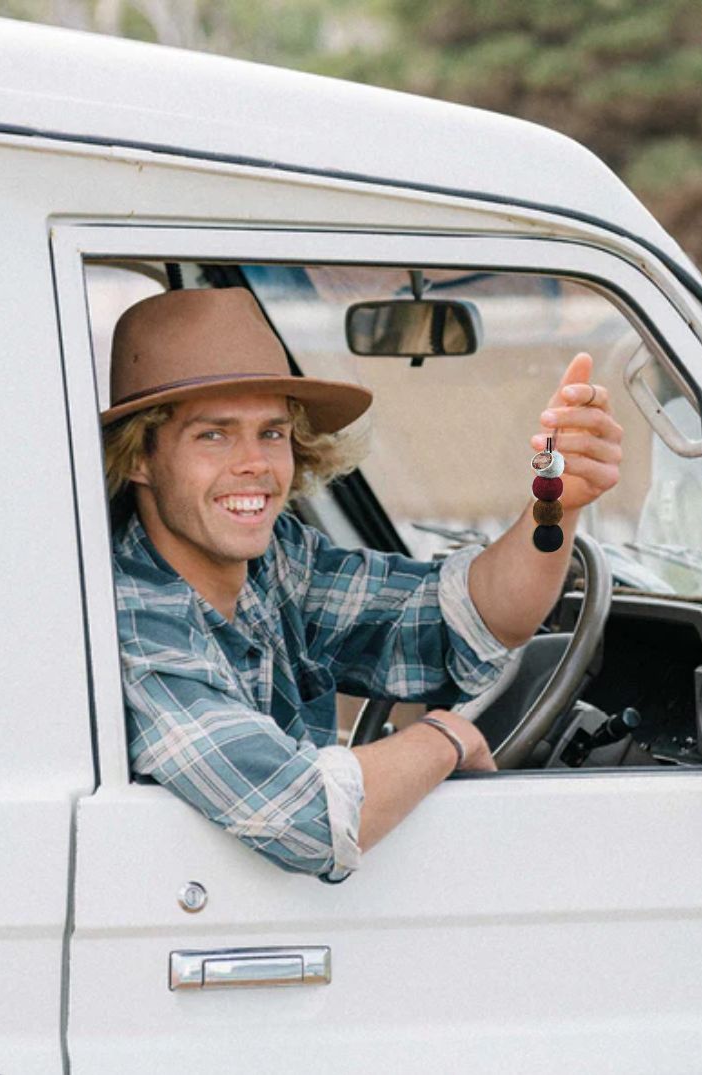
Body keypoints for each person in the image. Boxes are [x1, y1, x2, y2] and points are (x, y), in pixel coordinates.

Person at [101, 287, 623, 881]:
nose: (255, 464)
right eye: (214, 435)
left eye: (271, 433)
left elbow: (471, 615)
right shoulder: (132, 621)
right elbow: (305, 817)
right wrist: (444, 737)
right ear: (140, 457)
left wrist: (555, 498)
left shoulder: (277, 563)